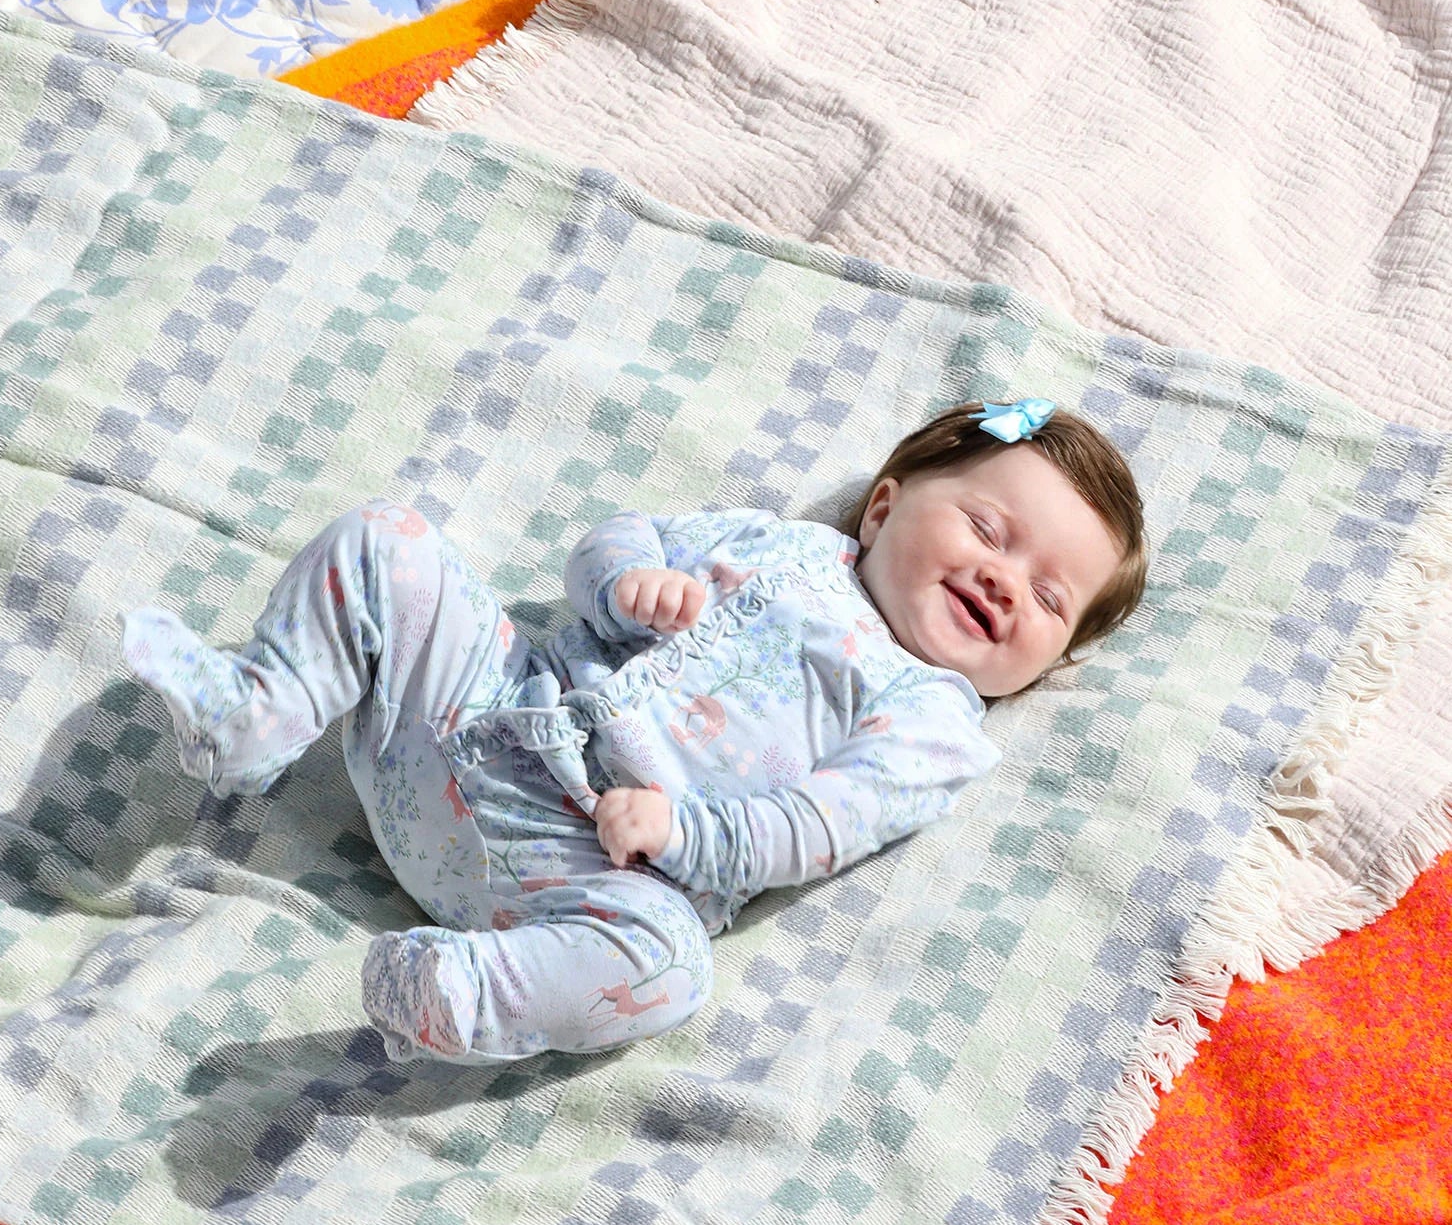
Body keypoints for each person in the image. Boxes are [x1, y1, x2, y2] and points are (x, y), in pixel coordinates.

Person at [121, 398, 1147, 1064]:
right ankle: (257, 713)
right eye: (988, 530)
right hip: (481, 711)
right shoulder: (778, 543)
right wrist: (623, 581)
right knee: (389, 538)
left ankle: (464, 993)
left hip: (584, 871)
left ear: (1047, 665)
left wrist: (683, 833)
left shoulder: (935, 719)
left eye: (1049, 598)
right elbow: (619, 538)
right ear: (881, 510)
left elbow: (821, 825)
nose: (1004, 581)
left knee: (668, 967)